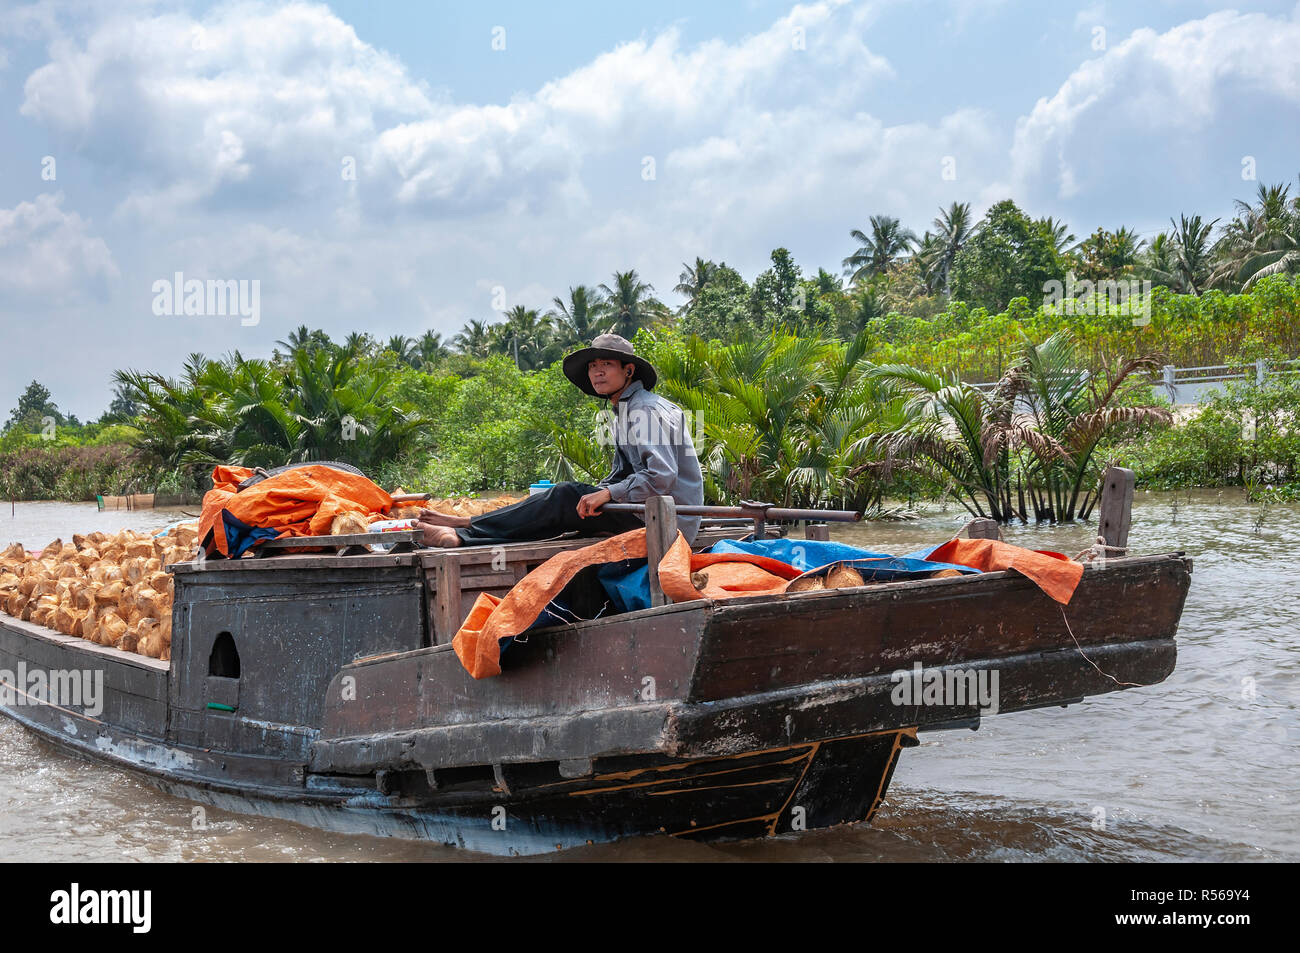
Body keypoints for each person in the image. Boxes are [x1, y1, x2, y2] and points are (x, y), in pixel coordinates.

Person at [416, 333, 705, 548]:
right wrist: (601, 491)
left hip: (666, 522)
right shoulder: (626, 409)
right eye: (593, 366)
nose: (597, 371)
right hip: (645, 512)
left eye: (607, 364)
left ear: (628, 371)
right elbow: (623, 474)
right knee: (566, 503)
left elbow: (662, 476)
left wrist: (607, 494)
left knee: (566, 496)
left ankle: (465, 528)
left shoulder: (643, 409)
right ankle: (466, 534)